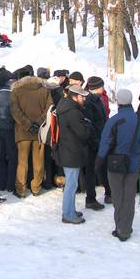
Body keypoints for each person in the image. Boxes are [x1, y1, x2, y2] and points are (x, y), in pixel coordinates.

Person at [96, 88, 140, 241]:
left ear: (118, 102)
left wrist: (99, 161)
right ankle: (125, 227)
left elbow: (105, 142)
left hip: (115, 164)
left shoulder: (114, 120)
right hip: (133, 165)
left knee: (118, 197)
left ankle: (121, 227)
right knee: (129, 197)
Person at [10, 68, 52, 198]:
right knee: (39, 161)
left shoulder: (16, 91)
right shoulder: (45, 90)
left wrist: (27, 125)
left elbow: (14, 110)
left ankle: (21, 189)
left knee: (22, 161)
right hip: (40, 132)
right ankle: (36, 187)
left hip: (22, 132)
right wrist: (38, 123)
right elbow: (49, 109)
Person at [55, 86, 92, 224]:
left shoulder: (65, 106)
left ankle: (71, 209)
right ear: (75, 97)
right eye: (82, 97)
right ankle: (68, 214)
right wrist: (88, 125)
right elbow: (83, 133)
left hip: (68, 150)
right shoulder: (73, 112)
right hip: (71, 152)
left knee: (72, 183)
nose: (84, 99)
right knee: (71, 185)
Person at [84, 76, 110, 207]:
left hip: (101, 138)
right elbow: (89, 124)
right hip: (94, 142)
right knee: (92, 170)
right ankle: (90, 198)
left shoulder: (97, 99)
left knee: (103, 167)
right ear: (97, 87)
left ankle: (109, 193)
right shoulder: (89, 102)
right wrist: (95, 142)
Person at [0, 69, 17, 192]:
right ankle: (10, 184)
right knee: (12, 157)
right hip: (9, 129)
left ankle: (0, 183)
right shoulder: (12, 95)